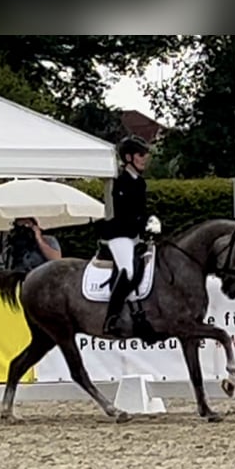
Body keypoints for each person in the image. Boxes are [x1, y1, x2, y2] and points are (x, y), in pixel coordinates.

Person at [99, 135, 161, 335]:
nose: (144, 159)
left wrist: (149, 227)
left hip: (134, 236)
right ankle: (112, 318)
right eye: (140, 155)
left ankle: (139, 316)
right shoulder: (119, 182)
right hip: (118, 236)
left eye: (145, 155)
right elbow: (124, 215)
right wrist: (140, 229)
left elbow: (140, 213)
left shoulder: (140, 183)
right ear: (128, 157)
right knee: (128, 271)